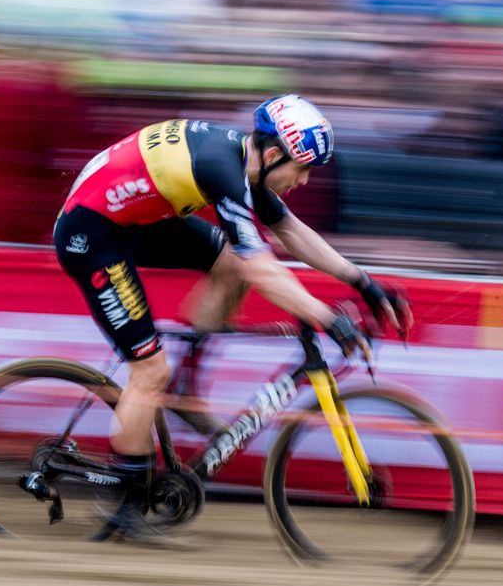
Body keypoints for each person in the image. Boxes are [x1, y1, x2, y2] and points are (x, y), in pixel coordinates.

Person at [51, 94, 412, 543]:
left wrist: (363, 282)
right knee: (149, 371)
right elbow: (264, 268)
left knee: (230, 263)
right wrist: (327, 318)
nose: (302, 180)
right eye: (301, 169)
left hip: (136, 218)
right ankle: (126, 507)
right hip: (93, 233)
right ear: (275, 154)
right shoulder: (222, 168)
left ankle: (184, 382)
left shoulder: (248, 161)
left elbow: (290, 230)